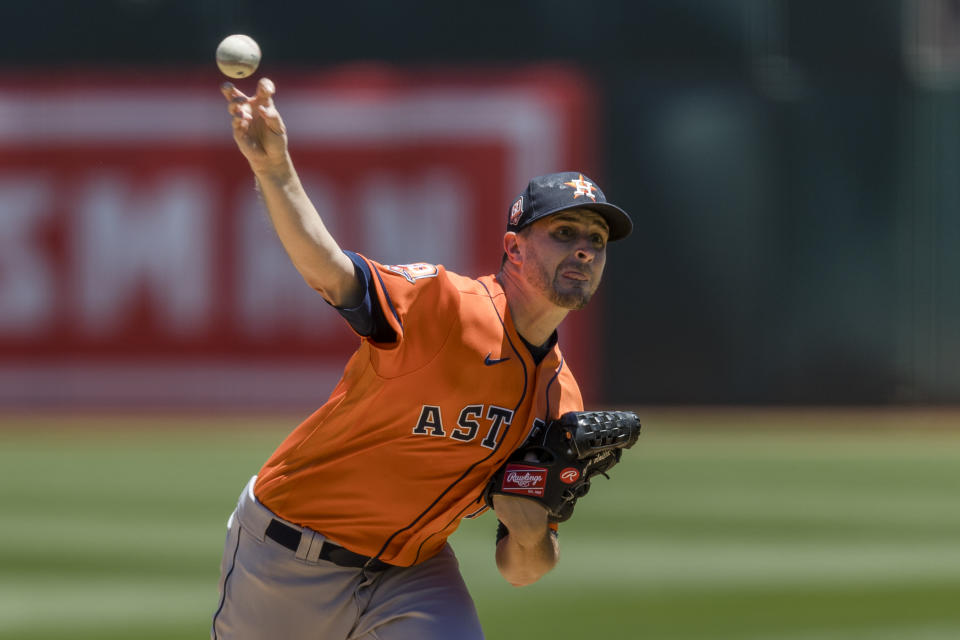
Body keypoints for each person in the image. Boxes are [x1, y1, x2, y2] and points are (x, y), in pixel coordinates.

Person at [212, 77, 633, 640]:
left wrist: (532, 530)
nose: (584, 247)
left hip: (414, 571)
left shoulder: (562, 398)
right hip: (288, 555)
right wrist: (274, 170)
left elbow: (521, 570)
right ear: (514, 248)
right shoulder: (445, 306)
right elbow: (331, 272)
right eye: (564, 232)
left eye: (597, 240)